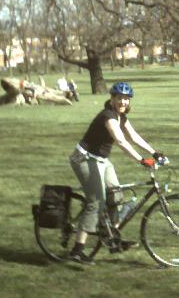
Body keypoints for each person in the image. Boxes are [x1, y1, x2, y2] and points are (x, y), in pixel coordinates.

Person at [68, 82, 163, 265]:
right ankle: (77, 250)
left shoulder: (121, 117)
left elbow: (133, 137)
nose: (123, 102)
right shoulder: (108, 116)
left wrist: (154, 153)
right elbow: (120, 141)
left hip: (101, 160)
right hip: (84, 159)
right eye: (119, 98)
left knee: (116, 196)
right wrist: (141, 160)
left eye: (126, 99)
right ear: (112, 99)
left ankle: (111, 238)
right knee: (96, 201)